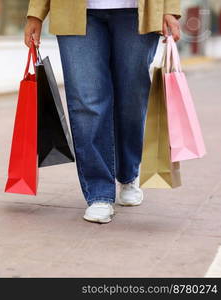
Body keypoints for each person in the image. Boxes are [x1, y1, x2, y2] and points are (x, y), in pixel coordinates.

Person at [24, 0, 181, 224]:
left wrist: (171, 9)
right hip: (74, 11)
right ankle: (99, 193)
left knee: (131, 101)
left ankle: (128, 173)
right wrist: (36, 14)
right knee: (86, 101)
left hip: (136, 11)